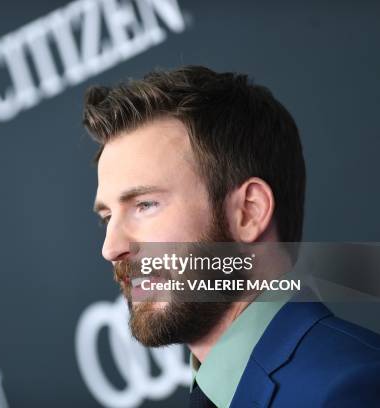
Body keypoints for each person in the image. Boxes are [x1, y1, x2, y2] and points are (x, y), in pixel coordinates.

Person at [84, 65, 380, 407]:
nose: (111, 248)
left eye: (145, 204)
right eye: (107, 217)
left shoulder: (348, 390)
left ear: (249, 212)